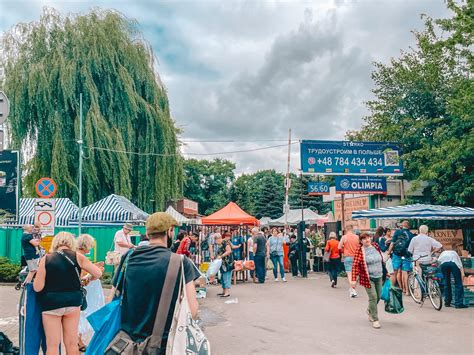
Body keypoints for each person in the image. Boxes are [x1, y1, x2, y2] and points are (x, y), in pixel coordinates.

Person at [112, 212, 200, 350]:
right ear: (169, 231)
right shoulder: (181, 263)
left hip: (127, 345)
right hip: (164, 345)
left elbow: (113, 297)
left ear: (147, 234)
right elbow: (193, 310)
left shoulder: (128, 258)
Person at [33, 232, 102, 355]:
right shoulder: (78, 257)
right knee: (71, 343)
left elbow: (38, 288)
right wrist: (87, 278)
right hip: (72, 303)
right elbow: (98, 273)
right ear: (71, 243)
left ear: (55, 243)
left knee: (53, 345)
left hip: (51, 304)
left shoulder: (46, 259)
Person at [76, 234, 105, 350]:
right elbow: (83, 277)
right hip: (85, 290)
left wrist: (94, 266)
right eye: (90, 246)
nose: (91, 249)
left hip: (85, 290)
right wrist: (96, 272)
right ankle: (78, 342)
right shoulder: (80, 256)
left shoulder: (77, 255)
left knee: (82, 314)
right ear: (85, 245)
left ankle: (78, 341)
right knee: (83, 314)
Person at [351, 233, 385, 329]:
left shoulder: (375, 246)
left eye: (368, 238)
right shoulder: (360, 250)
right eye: (364, 239)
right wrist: (353, 280)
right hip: (368, 277)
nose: (367, 240)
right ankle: (375, 319)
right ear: (361, 241)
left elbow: (381, 259)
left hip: (379, 275)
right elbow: (355, 265)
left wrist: (388, 271)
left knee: (379, 296)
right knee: (373, 297)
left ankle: (370, 310)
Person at [387, 220, 414, 294]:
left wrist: (389, 252)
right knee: (405, 272)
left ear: (402, 226)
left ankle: (392, 289)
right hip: (406, 255)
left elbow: (392, 244)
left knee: (394, 272)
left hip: (396, 254)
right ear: (408, 226)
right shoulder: (411, 235)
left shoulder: (397, 232)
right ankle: (407, 291)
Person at [438, 245, 467, 309]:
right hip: (453, 264)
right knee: (458, 283)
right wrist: (462, 273)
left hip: (443, 264)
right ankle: (458, 303)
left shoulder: (443, 253)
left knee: (447, 283)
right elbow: (459, 264)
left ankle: (447, 302)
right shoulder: (455, 253)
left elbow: (438, 261)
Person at [338, 223, 360, 298]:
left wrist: (344, 249)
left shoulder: (344, 237)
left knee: (350, 274)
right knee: (356, 275)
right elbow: (360, 247)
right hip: (356, 257)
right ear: (352, 229)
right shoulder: (357, 237)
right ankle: (352, 289)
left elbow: (339, 247)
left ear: (346, 229)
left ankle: (352, 290)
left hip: (347, 257)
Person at [215, 233, 233, 297]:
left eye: (216, 240)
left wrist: (221, 256)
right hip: (223, 264)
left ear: (218, 239)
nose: (215, 242)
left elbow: (229, 251)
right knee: (222, 277)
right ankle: (224, 291)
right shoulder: (220, 244)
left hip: (227, 263)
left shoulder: (225, 243)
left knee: (226, 277)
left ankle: (227, 292)